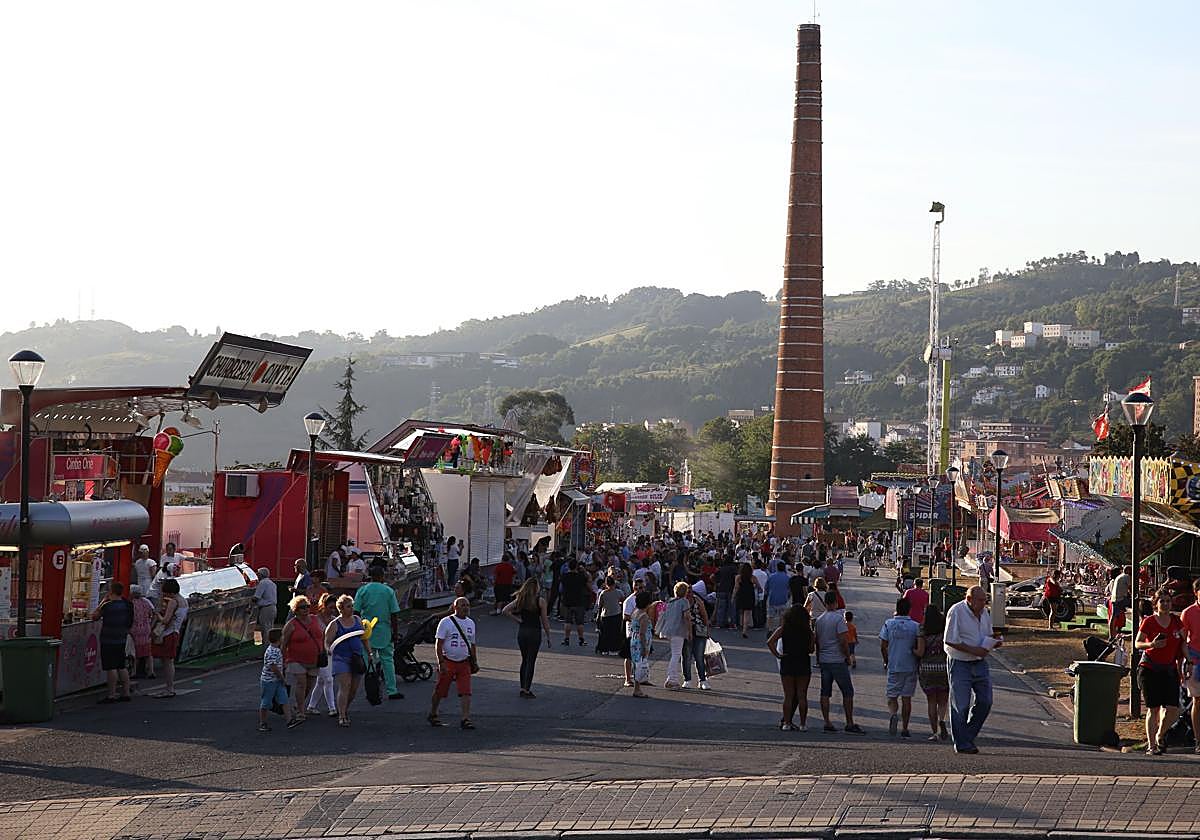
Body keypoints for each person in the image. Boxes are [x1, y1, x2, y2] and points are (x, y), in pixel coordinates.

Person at [944, 585, 1000, 754]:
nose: (984, 604)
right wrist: (973, 650)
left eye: (985, 600)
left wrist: (994, 641)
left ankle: (966, 736)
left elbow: (987, 634)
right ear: (969, 599)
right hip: (960, 662)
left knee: (985, 701)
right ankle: (962, 743)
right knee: (960, 705)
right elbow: (950, 640)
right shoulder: (957, 611)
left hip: (979, 661)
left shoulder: (984, 613)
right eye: (981, 600)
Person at [1135, 588, 1185, 755]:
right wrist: (1151, 645)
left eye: (1168, 601)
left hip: (1169, 669)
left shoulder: (1177, 622)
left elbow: (1183, 643)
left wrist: (1188, 661)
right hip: (1150, 668)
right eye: (1162, 601)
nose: (1165, 604)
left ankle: (1160, 734)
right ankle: (1152, 746)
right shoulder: (1149, 621)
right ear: (1155, 604)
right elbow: (1138, 643)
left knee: (1173, 709)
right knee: (1153, 708)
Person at [814, 591, 862, 734]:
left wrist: (818, 658)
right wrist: (847, 656)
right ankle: (849, 722)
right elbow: (843, 640)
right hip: (837, 659)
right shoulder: (839, 619)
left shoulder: (819, 620)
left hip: (824, 659)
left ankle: (827, 721)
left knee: (825, 692)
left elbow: (817, 641)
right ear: (835, 603)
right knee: (847, 691)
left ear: (824, 603)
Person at [354, 566, 405, 700]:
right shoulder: (388, 591)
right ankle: (392, 690)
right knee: (387, 660)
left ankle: (371, 687)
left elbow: (356, 612)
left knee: (368, 659)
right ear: (382, 576)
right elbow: (394, 613)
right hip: (384, 629)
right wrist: (395, 632)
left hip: (367, 629)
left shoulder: (362, 590)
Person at [429, 596, 477, 729]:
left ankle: (465, 718)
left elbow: (472, 644)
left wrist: (475, 661)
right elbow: (439, 643)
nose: (466, 608)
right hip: (448, 661)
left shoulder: (471, 623)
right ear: (455, 607)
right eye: (462, 605)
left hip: (464, 662)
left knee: (466, 691)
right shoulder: (446, 622)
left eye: (467, 605)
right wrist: (441, 662)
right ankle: (433, 713)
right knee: (440, 690)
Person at [502, 578, 552, 697]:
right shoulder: (540, 601)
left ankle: (522, 687)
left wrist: (518, 620)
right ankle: (526, 689)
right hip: (534, 632)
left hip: (522, 631)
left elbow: (505, 610)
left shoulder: (521, 599)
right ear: (536, 588)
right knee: (531, 660)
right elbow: (544, 620)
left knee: (524, 660)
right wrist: (548, 635)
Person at [880, 598, 921, 738]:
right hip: (910, 665)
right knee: (907, 698)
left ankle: (893, 714)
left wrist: (886, 660)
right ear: (909, 610)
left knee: (891, 696)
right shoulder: (916, 626)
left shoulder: (888, 624)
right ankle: (905, 727)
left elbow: (883, 645)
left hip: (894, 664)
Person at [767, 604, 813, 731]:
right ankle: (803, 724)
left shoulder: (784, 629)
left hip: (787, 661)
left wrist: (778, 654)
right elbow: (811, 649)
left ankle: (786, 723)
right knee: (802, 695)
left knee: (788, 695)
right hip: (803, 662)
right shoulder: (807, 630)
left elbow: (770, 642)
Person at [325, 594, 365, 727]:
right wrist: (328, 650)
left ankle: (344, 709)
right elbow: (327, 642)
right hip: (341, 658)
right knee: (345, 686)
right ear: (341, 609)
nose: (352, 609)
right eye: (349, 606)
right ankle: (342, 715)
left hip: (357, 658)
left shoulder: (357, 620)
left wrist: (370, 653)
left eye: (352, 606)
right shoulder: (334, 624)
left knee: (353, 689)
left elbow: (364, 637)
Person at [281, 595, 322, 722]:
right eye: (302, 607)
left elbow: (323, 634)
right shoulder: (291, 624)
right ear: (296, 610)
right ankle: (300, 711)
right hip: (296, 659)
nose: (306, 609)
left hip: (314, 659)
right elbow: (284, 644)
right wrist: (283, 661)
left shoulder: (315, 619)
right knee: (301, 683)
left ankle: (298, 705)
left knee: (309, 685)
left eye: (307, 606)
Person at [93, 582, 134, 704]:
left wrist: (102, 602)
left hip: (108, 638)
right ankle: (126, 692)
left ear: (111, 592)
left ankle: (111, 694)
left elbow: (95, 616)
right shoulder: (127, 604)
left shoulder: (107, 605)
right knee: (121, 665)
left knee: (111, 667)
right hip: (121, 637)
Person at [915, 604, 950, 742]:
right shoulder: (944, 630)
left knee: (931, 701)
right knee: (943, 700)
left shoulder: (922, 630)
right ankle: (942, 720)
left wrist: (912, 650)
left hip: (928, 669)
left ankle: (934, 732)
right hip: (943, 668)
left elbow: (920, 652)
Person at [150, 578, 188, 698]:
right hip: (175, 631)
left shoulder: (173, 602)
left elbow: (165, 620)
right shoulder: (184, 601)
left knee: (167, 662)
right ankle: (169, 687)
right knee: (168, 661)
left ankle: (169, 688)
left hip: (168, 633)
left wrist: (157, 614)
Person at [259, 628, 300, 732]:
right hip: (269, 681)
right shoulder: (272, 651)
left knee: (284, 699)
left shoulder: (276, 650)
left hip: (276, 680)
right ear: (279, 638)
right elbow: (274, 668)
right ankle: (263, 722)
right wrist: (282, 678)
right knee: (266, 702)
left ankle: (289, 720)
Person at [306, 593, 338, 718]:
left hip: (329, 653)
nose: (333, 610)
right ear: (323, 606)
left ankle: (311, 706)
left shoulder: (335, 620)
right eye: (330, 607)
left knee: (321, 681)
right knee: (328, 680)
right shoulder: (314, 619)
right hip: (318, 652)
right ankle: (332, 708)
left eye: (334, 608)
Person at [657, 582, 692, 690]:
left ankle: (672, 678)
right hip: (679, 630)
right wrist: (689, 631)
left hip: (668, 630)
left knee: (674, 654)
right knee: (676, 655)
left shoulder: (670, 601)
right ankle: (672, 679)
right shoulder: (684, 602)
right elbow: (687, 617)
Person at [681, 585, 712, 690]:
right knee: (686, 657)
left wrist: (707, 629)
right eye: (686, 590)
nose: (688, 592)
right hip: (684, 632)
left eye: (690, 589)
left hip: (699, 631)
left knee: (699, 657)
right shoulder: (680, 601)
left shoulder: (697, 600)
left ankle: (702, 680)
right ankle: (687, 679)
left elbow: (704, 615)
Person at [1182, 578, 1200, 754]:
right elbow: (1183, 641)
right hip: (1195, 659)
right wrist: (1186, 661)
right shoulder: (1188, 613)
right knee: (1197, 700)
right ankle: (1198, 739)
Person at [560, 559, 592, 647]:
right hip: (579, 601)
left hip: (567, 601)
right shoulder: (581, 576)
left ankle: (566, 638)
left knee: (568, 621)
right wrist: (584, 571)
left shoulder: (564, 576)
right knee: (580, 622)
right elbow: (589, 582)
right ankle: (581, 639)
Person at [628, 590, 653, 698]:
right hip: (640, 642)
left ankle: (637, 687)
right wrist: (644, 647)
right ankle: (637, 689)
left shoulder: (635, 612)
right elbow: (642, 633)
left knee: (636, 664)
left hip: (633, 640)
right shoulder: (644, 616)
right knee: (640, 664)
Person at [621, 578, 646, 687]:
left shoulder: (644, 598)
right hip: (632, 632)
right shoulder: (629, 600)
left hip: (643, 631)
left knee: (642, 655)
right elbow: (625, 616)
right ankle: (628, 679)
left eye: (642, 587)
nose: (640, 589)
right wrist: (637, 619)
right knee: (629, 656)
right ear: (633, 587)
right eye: (638, 587)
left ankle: (642, 678)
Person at [128, 584, 156, 679]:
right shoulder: (146, 601)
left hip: (134, 629)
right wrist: (151, 623)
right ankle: (151, 671)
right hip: (146, 628)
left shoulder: (130, 603)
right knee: (148, 651)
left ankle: (134, 671)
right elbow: (154, 613)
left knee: (135, 651)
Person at [595, 576, 626, 655]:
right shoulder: (619, 592)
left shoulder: (603, 593)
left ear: (606, 584)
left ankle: (604, 649)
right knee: (615, 633)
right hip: (616, 614)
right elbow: (623, 601)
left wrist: (598, 616)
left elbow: (600, 605)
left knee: (605, 633)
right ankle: (614, 649)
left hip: (605, 615)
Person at [733, 562, 760, 638]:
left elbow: (736, 587)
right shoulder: (752, 577)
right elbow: (758, 586)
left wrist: (733, 596)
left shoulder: (738, 577)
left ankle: (741, 625)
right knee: (747, 613)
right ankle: (744, 630)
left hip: (741, 595)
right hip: (749, 595)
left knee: (741, 612)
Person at [251, 567, 278, 642]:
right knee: (270, 628)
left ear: (261, 575)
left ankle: (266, 647)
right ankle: (271, 645)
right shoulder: (272, 583)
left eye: (258, 574)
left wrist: (250, 607)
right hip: (273, 608)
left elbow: (256, 597)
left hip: (266, 608)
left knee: (265, 629)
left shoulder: (262, 583)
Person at [764, 561, 791, 632]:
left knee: (771, 616)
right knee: (782, 616)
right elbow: (789, 589)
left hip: (772, 599)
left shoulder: (771, 576)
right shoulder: (787, 577)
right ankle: (780, 629)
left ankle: (770, 629)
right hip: (783, 599)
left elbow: (766, 588)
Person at [1108, 565, 1131, 639]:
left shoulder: (1119, 577)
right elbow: (1131, 588)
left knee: (1113, 617)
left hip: (1115, 599)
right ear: (1128, 571)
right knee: (1137, 604)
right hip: (1120, 599)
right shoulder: (1127, 576)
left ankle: (1111, 635)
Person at [714, 559, 737, 629]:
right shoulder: (733, 569)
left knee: (721, 607)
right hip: (731, 589)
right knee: (731, 607)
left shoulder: (721, 569)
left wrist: (717, 583)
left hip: (721, 589)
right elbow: (736, 579)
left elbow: (712, 577)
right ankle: (731, 623)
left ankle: (719, 623)